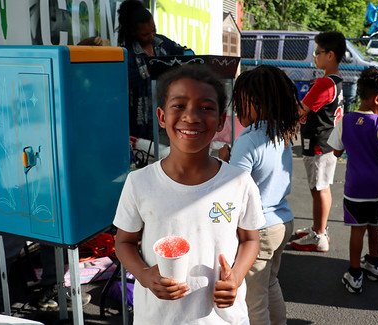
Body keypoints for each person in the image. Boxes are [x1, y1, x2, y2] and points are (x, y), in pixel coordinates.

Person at [113, 64, 265, 324]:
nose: (191, 116)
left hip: (220, 318)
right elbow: (124, 242)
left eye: (205, 107)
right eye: (179, 105)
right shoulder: (139, 182)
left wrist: (236, 278)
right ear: (161, 116)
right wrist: (145, 275)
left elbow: (250, 239)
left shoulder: (239, 182)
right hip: (158, 317)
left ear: (220, 121)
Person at [218, 65, 300, 324]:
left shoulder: (249, 138)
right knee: (269, 284)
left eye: (241, 104)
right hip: (282, 221)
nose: (238, 111)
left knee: (253, 300)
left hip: (259, 229)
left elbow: (234, 185)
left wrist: (223, 162)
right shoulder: (281, 132)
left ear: (257, 102)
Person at [327, 67, 378, 293]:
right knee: (373, 225)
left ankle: (355, 273)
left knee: (357, 229)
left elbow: (336, 152)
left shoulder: (345, 120)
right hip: (377, 188)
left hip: (354, 188)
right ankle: (374, 264)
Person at [291, 31, 346, 252]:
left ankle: (319, 235)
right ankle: (318, 227)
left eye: (318, 52)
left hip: (319, 143)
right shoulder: (336, 81)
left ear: (330, 55)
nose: (315, 56)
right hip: (327, 142)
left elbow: (300, 110)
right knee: (321, 188)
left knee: (319, 188)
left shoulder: (324, 83)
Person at [117, 0, 191, 140]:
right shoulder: (128, 53)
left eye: (153, 31)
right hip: (141, 123)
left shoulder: (163, 43)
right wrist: (151, 69)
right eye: (145, 34)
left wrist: (188, 57)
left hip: (168, 118)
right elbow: (126, 82)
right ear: (133, 32)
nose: (151, 36)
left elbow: (183, 53)